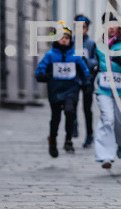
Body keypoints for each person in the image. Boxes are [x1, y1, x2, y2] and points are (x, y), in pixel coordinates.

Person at [35, 23, 90, 157]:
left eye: (66, 37)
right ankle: (52, 140)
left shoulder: (76, 56)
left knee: (70, 112)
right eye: (61, 37)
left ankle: (68, 140)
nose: (64, 39)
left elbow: (85, 71)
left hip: (71, 89)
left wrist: (86, 83)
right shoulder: (50, 55)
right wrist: (44, 75)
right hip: (55, 90)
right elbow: (39, 71)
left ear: (70, 39)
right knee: (56, 117)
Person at [94, 14, 121, 170]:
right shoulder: (99, 45)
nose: (111, 28)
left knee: (120, 122)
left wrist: (120, 60)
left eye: (114, 24)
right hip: (103, 90)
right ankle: (105, 156)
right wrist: (92, 67)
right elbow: (93, 62)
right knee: (107, 119)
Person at [72, 14, 99, 148]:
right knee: (71, 105)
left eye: (83, 27)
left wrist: (86, 61)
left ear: (87, 29)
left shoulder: (91, 44)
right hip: (73, 80)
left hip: (87, 79)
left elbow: (95, 61)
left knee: (87, 108)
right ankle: (74, 124)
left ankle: (89, 134)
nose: (80, 30)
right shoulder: (70, 43)